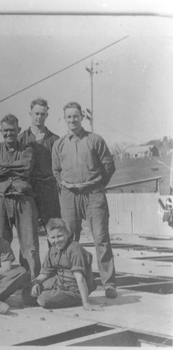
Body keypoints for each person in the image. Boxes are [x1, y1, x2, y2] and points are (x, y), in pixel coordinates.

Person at [52, 101, 117, 298]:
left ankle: (109, 284)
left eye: (76, 116)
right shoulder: (59, 144)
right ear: (65, 119)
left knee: (101, 238)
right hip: (69, 195)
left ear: (82, 117)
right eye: (69, 117)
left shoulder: (95, 140)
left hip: (93, 194)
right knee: (69, 240)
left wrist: (95, 185)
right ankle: (74, 282)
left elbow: (108, 166)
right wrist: (68, 186)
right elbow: (56, 171)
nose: (72, 120)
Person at [0, 114, 41, 279]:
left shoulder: (27, 149)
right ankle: (0, 282)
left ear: (18, 130)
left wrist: (4, 165)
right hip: (2, 199)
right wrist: (13, 168)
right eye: (5, 131)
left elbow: (26, 166)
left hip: (24, 199)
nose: (9, 134)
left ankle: (31, 283)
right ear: (1, 131)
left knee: (29, 245)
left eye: (12, 130)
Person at [23, 218, 101, 311]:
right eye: (53, 237)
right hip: (59, 282)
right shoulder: (52, 250)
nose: (56, 241)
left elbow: (80, 278)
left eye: (60, 236)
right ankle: (54, 295)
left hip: (75, 289)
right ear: (48, 237)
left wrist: (86, 303)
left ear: (67, 234)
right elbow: (45, 273)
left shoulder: (75, 249)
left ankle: (73, 298)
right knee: (27, 292)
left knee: (43, 299)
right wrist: (36, 283)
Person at [18, 98, 61, 228]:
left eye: (42, 114)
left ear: (47, 115)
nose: (39, 117)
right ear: (30, 114)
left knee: (53, 227)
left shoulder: (55, 140)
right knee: (28, 229)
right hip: (28, 188)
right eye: (36, 113)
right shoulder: (21, 139)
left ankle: (55, 249)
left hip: (49, 188)